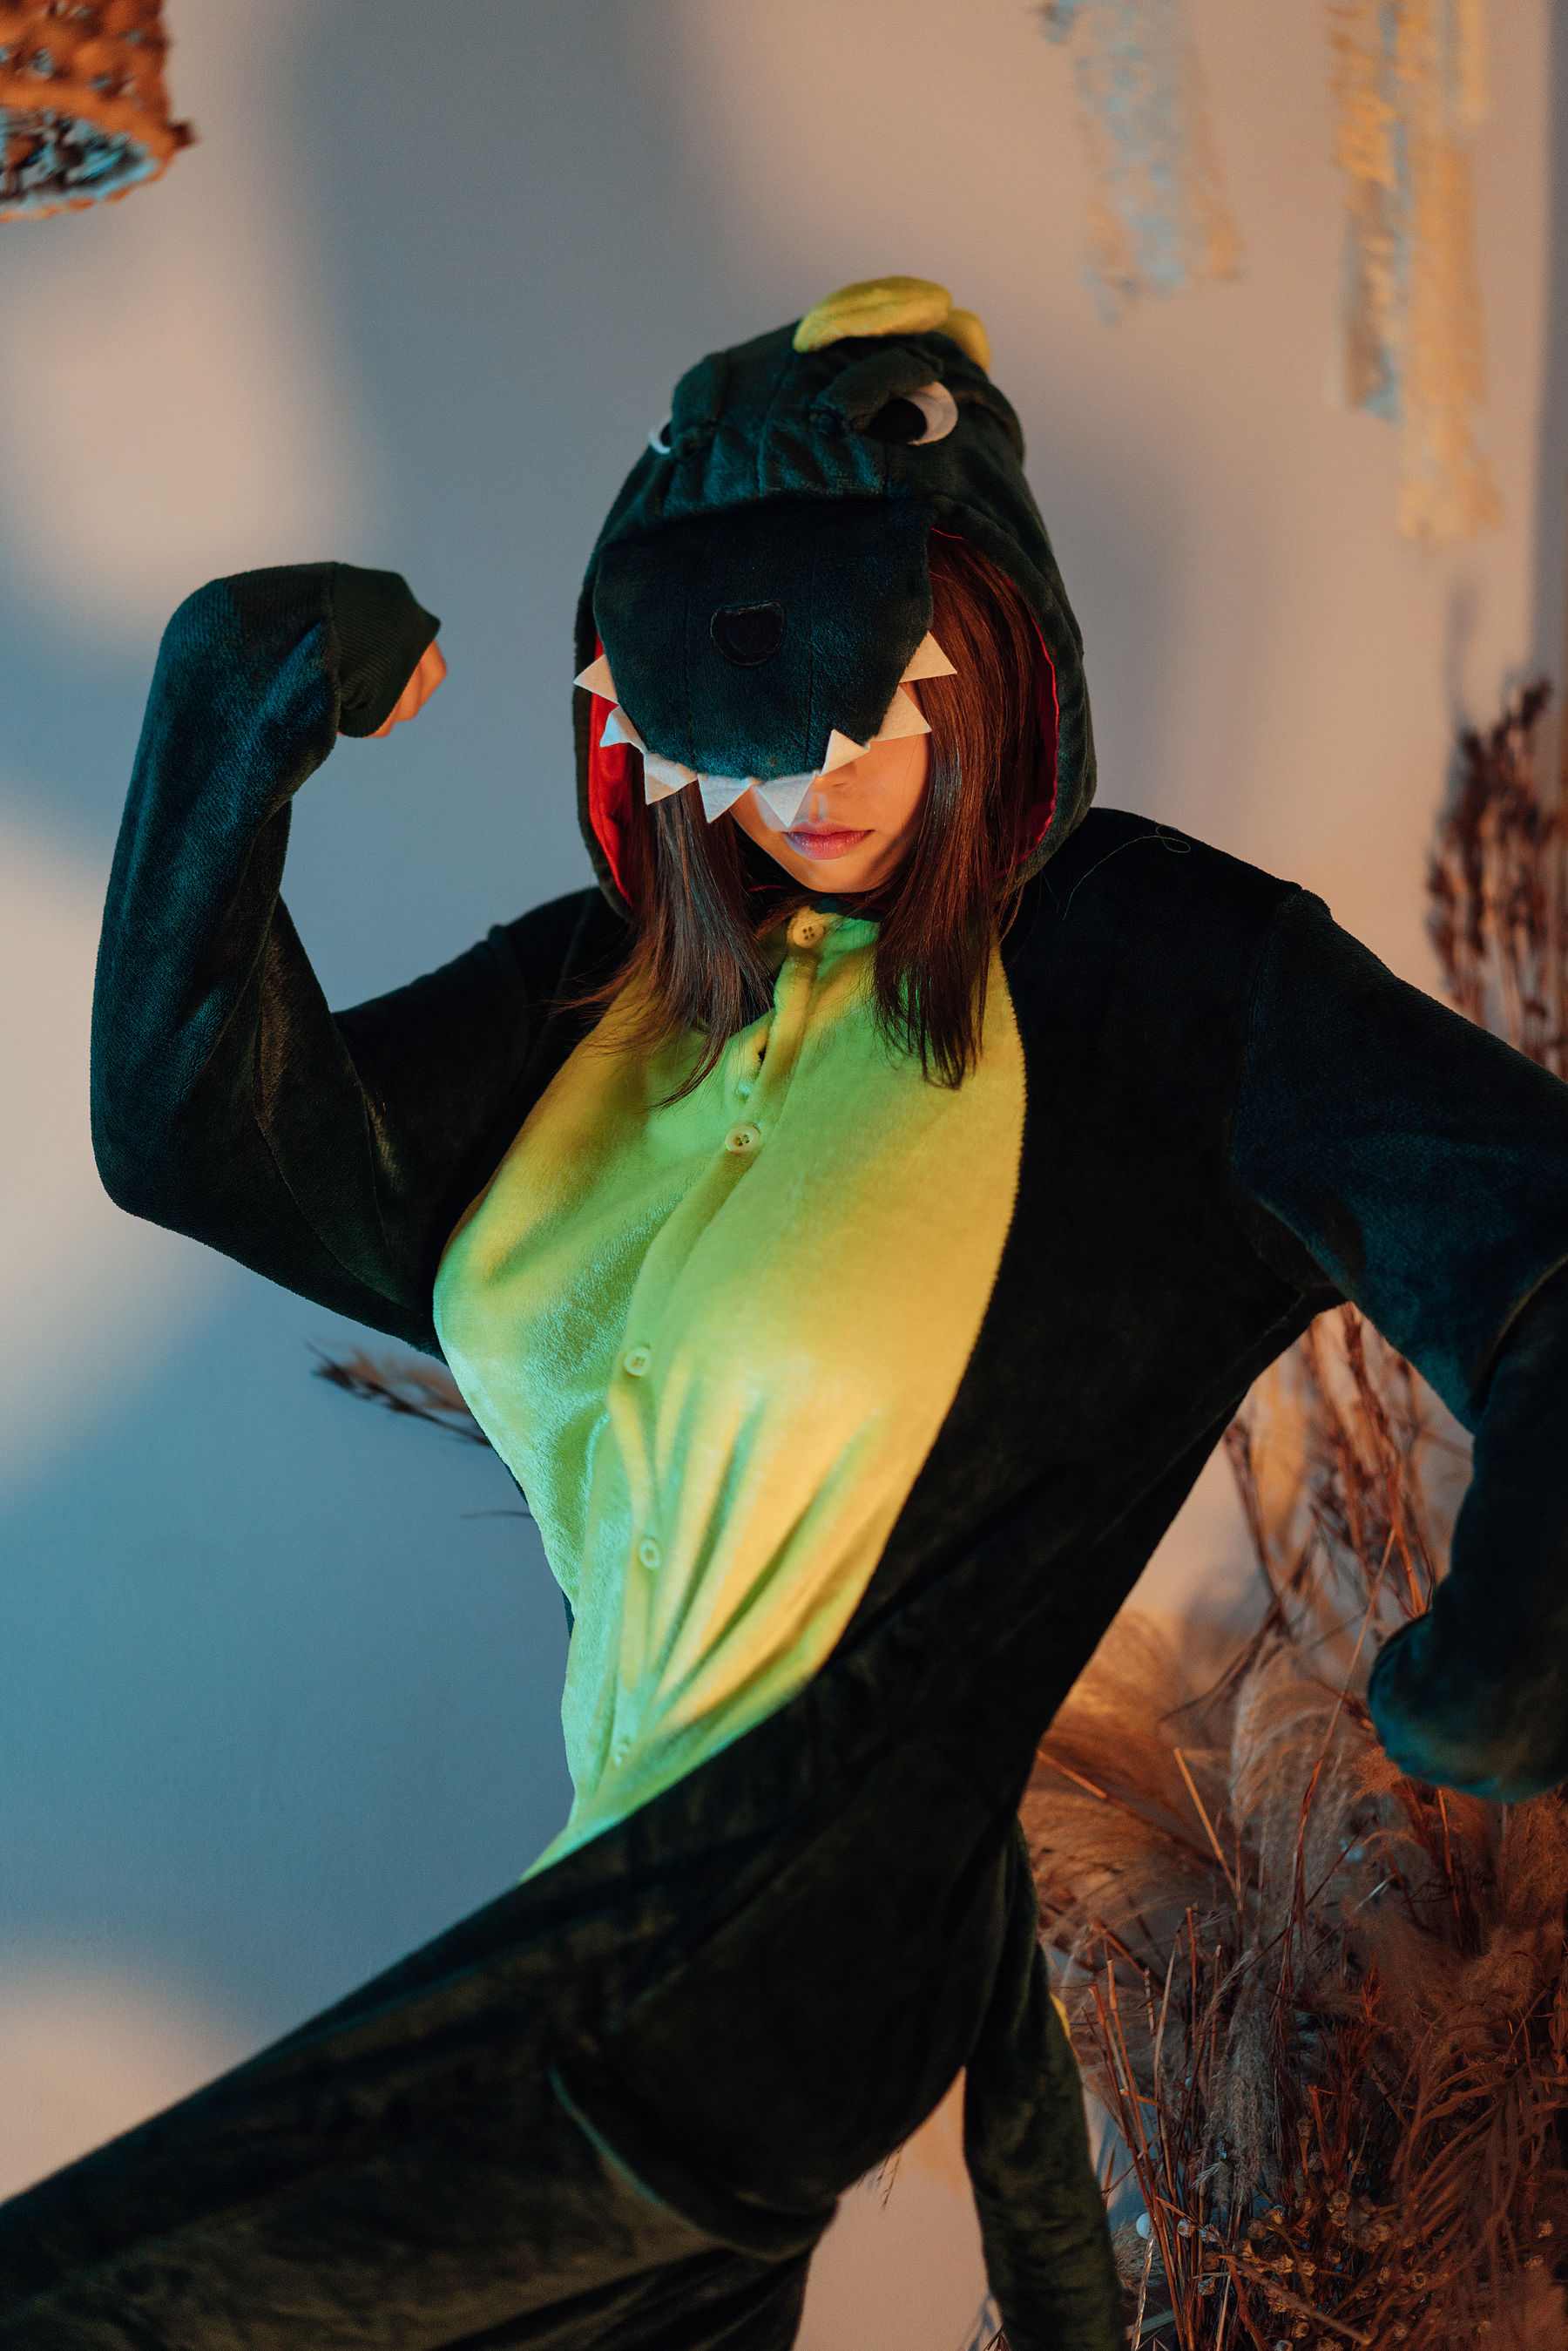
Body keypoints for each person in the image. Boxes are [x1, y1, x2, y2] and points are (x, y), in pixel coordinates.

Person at [4, 274, 1568, 2351]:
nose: (805, 783)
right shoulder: (609, 987)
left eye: (874, 692)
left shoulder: (1173, 982)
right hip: (621, 1912)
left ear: (992, 643)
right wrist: (232, 702)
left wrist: (1516, 1632)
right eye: (729, 726)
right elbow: (209, 1135)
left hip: (740, 1979)